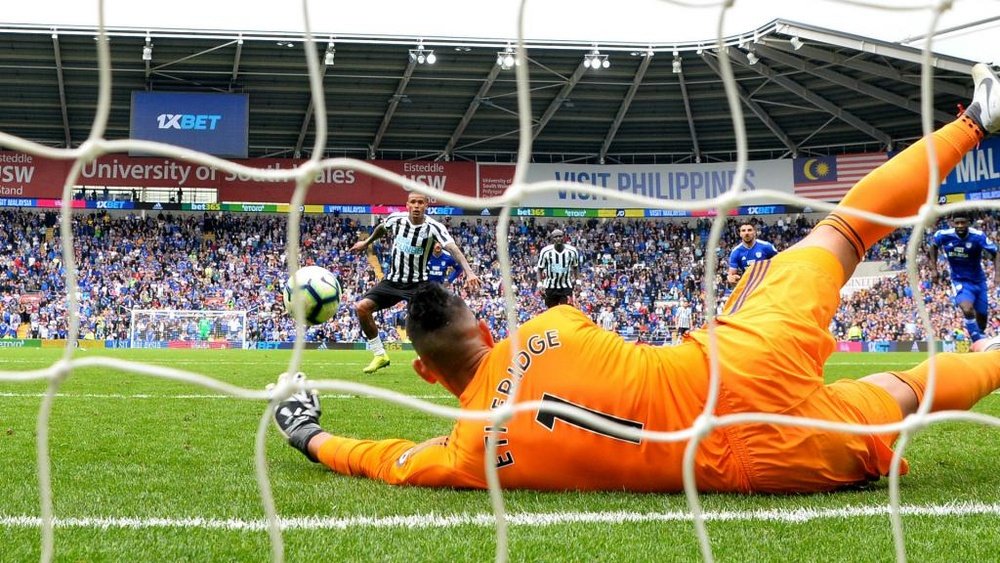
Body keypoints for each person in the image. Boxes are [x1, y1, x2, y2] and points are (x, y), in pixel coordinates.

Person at [275, 64, 1000, 493]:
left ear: (428, 376)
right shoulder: (550, 326)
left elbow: (379, 459)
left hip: (763, 463)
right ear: (487, 327)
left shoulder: (466, 453)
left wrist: (308, 431)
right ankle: (976, 119)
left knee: (907, 389)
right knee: (842, 231)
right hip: (734, 363)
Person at [350, 192, 480, 374]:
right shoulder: (397, 219)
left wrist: (469, 271)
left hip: (417, 284)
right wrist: (367, 242)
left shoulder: (434, 227)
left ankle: (430, 357)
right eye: (413, 202)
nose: (417, 206)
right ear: (407, 205)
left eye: (421, 202)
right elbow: (382, 227)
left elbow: (453, 248)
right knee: (362, 308)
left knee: (424, 321)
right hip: (392, 281)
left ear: (426, 206)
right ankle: (380, 355)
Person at [928, 215, 999, 343]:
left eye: (963, 222)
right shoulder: (943, 235)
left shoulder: (978, 236)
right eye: (957, 223)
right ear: (952, 223)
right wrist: (934, 269)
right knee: (967, 308)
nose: (960, 225)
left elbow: (996, 253)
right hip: (959, 280)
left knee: (982, 318)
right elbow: (933, 246)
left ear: (968, 223)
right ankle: (977, 341)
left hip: (979, 281)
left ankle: (980, 339)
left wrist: (997, 274)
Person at [536, 228, 581, 308]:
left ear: (564, 237)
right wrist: (540, 284)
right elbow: (540, 269)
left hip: (566, 287)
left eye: (560, 236)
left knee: (566, 310)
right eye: (556, 237)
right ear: (552, 239)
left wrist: (578, 282)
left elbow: (575, 267)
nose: (558, 238)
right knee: (552, 312)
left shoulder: (572, 251)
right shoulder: (545, 251)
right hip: (550, 287)